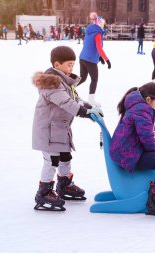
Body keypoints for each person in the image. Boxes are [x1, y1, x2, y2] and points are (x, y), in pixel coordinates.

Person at [32, 46, 102, 211]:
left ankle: (64, 184)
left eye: (73, 65)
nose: (72, 68)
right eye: (69, 65)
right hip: (48, 130)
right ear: (57, 65)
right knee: (52, 160)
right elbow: (65, 102)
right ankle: (44, 191)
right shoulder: (51, 83)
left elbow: (75, 99)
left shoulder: (64, 81)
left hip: (60, 128)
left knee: (65, 156)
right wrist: (85, 113)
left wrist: (88, 106)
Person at [109, 82, 155, 216]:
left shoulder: (136, 106)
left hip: (127, 150)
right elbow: (146, 136)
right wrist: (154, 148)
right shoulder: (141, 110)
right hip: (129, 155)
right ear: (148, 99)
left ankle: (152, 184)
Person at [78, 12, 111, 108]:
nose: (104, 26)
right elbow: (99, 48)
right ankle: (91, 99)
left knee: (82, 78)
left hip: (83, 58)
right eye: (103, 24)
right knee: (94, 79)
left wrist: (99, 57)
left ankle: (68, 88)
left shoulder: (90, 31)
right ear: (100, 24)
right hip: (90, 60)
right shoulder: (97, 33)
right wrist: (107, 60)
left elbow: (90, 45)